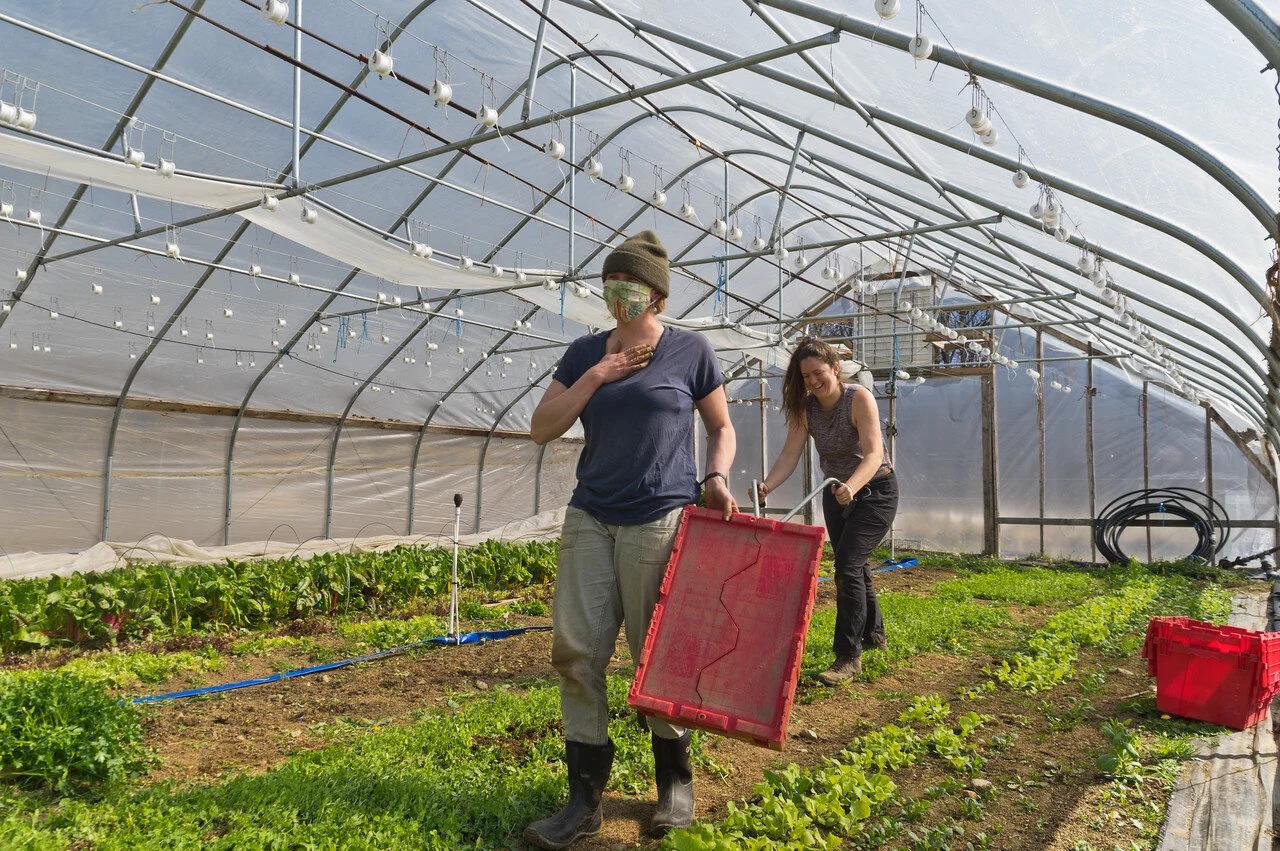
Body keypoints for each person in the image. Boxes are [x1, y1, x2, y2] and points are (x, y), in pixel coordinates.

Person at [523, 230, 738, 849]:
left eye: (631, 286)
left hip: (659, 517)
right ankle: (583, 799)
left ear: (656, 295)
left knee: (657, 654)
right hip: (591, 515)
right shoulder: (585, 352)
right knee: (576, 652)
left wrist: (715, 477)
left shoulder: (689, 351)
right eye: (612, 283)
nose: (619, 295)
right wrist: (599, 373)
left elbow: (720, 425)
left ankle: (674, 782)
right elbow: (542, 428)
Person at [755, 337, 895, 685]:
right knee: (855, 564)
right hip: (835, 492)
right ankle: (874, 634)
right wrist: (768, 485)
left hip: (875, 491)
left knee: (847, 566)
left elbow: (875, 453)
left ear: (835, 368)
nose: (812, 381)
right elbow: (791, 453)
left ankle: (848, 657)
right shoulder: (807, 407)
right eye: (805, 376)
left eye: (818, 372)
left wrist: (854, 485)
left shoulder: (858, 398)